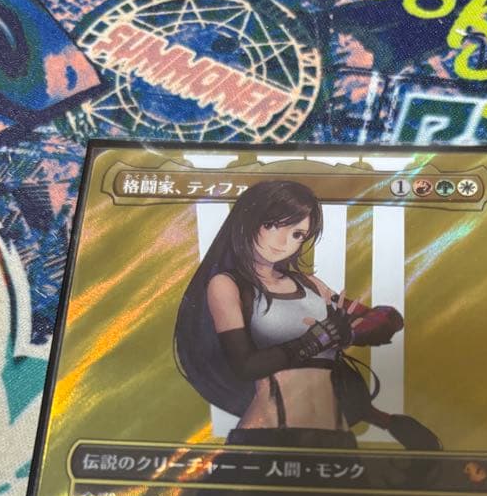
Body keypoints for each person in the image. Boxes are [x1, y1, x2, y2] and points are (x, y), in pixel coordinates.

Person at [174, 179, 440, 450]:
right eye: (273, 225)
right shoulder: (227, 284)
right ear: (248, 220)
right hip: (266, 436)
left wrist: (350, 332)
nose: (283, 242)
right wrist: (316, 339)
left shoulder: (309, 284)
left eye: (298, 234)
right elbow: (246, 366)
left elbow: (387, 320)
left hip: (334, 438)